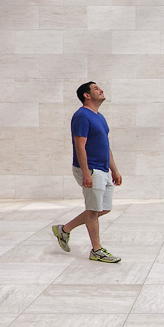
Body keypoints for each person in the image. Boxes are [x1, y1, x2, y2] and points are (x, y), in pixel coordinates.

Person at [51, 81, 122, 263]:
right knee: (92, 210)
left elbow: (106, 146)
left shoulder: (99, 116)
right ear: (87, 95)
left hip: (103, 168)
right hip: (90, 168)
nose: (101, 90)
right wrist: (86, 173)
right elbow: (79, 146)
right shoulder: (82, 116)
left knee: (104, 208)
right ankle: (96, 250)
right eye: (96, 89)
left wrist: (114, 169)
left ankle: (64, 230)